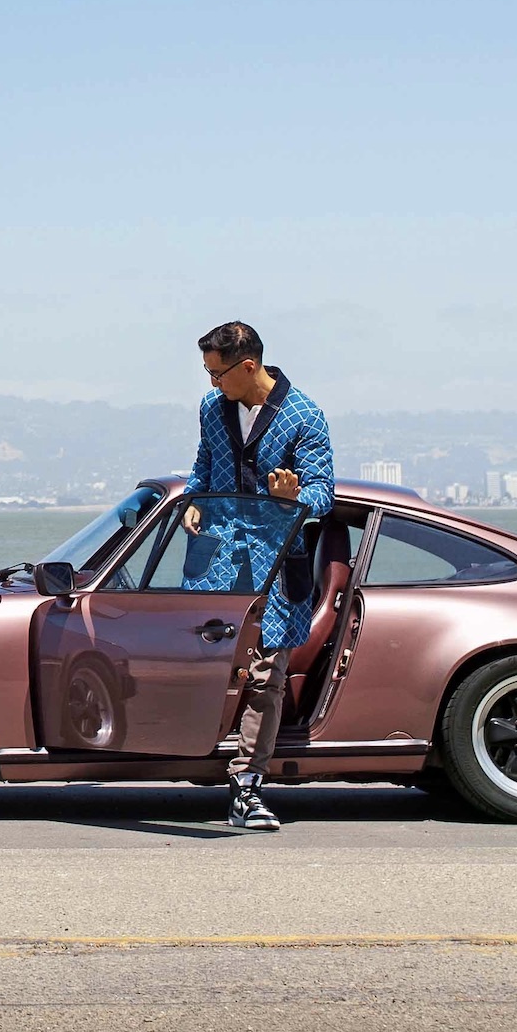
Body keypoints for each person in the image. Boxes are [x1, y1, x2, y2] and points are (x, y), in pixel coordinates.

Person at [186, 321, 334, 831]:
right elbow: (204, 465)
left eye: (217, 374)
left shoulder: (305, 417)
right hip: (217, 563)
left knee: (267, 676)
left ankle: (247, 787)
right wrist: (193, 501)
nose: (212, 385)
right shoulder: (212, 409)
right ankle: (185, 756)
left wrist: (294, 499)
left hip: (277, 566)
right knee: (205, 665)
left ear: (247, 367)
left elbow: (323, 494)